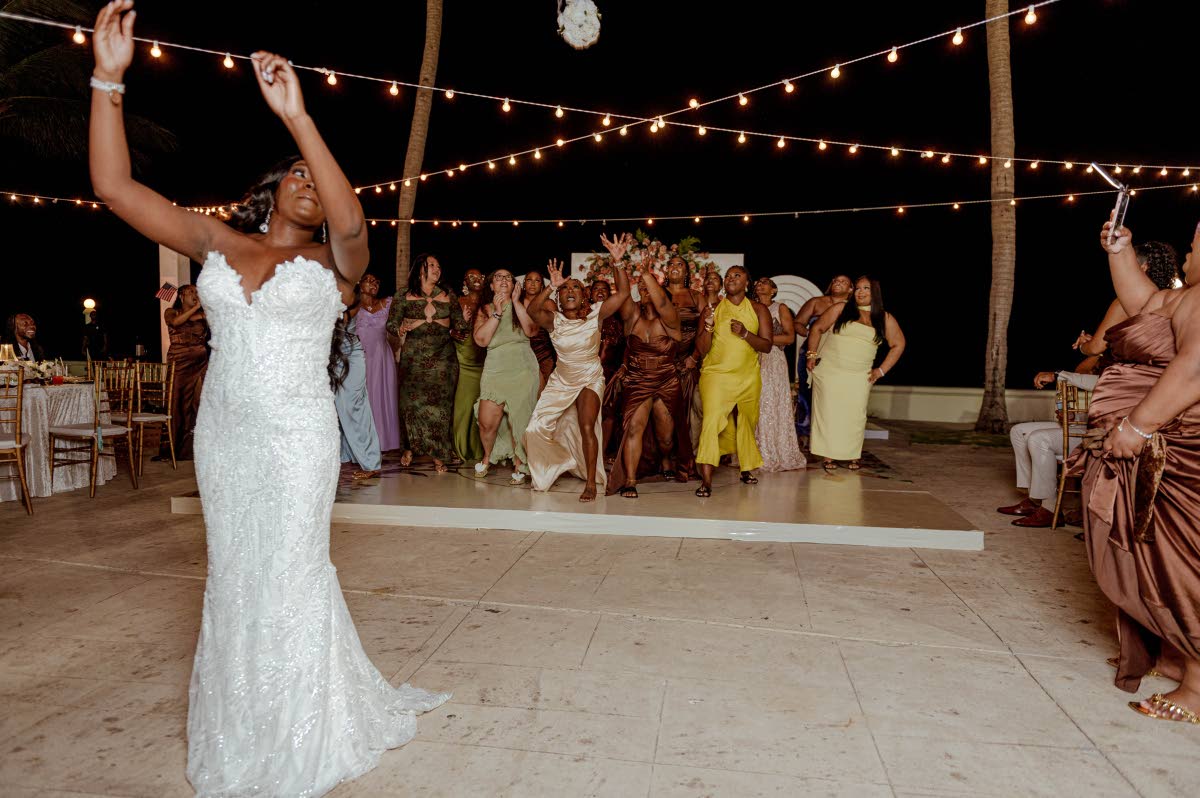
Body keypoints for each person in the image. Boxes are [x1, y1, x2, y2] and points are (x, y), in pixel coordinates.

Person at [87, 5, 448, 795]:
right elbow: (113, 187)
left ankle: (300, 725)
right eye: (295, 174)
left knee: (289, 569)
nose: (310, 189)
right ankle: (241, 719)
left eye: (315, 180)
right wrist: (107, 78)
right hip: (226, 435)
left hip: (294, 436)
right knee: (235, 573)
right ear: (268, 190)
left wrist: (299, 116)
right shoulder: (217, 243)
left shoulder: (337, 262)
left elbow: (354, 217)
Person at [1076, 217, 1200, 723]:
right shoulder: (1181, 298)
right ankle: (1174, 651)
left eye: (1196, 244)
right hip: (1159, 452)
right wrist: (1119, 252)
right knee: (1154, 551)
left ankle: (1198, 686)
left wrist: (1136, 427)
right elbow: (1142, 305)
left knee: (1184, 560)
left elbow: (1195, 368)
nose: (1189, 253)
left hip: (1179, 450)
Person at [1001, 242, 1179, 527]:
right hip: (1133, 402)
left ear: (1140, 267)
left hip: (1115, 410)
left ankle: (1048, 508)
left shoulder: (1124, 302)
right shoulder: (1170, 302)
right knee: (1020, 432)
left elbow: (1096, 349)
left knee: (1037, 438)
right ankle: (1035, 499)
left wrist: (1087, 346)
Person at [525, 240, 630, 501]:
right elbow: (532, 310)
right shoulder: (553, 321)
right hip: (561, 379)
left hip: (589, 377)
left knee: (586, 426)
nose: (570, 290)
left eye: (576, 287)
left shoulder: (596, 314)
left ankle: (592, 483)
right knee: (533, 429)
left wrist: (617, 261)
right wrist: (551, 285)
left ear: (584, 296)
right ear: (559, 298)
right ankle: (559, 463)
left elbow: (624, 294)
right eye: (566, 288)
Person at [607, 270, 692, 496]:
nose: (644, 291)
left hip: (665, 379)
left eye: (649, 289)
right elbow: (624, 293)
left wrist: (646, 274)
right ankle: (631, 480)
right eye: (641, 289)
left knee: (665, 437)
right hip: (637, 379)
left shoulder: (670, 320)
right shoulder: (632, 316)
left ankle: (665, 459)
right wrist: (618, 263)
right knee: (634, 427)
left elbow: (662, 302)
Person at [807, 276, 905, 472]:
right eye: (858, 288)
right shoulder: (841, 309)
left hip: (859, 375)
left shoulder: (884, 318)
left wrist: (881, 370)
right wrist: (812, 354)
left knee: (855, 416)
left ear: (874, 292)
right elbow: (817, 328)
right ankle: (828, 456)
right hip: (831, 372)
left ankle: (852, 454)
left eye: (866, 288)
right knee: (829, 414)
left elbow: (898, 344)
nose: (861, 292)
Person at [694, 265, 774, 496]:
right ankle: (706, 481)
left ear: (747, 282)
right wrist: (708, 326)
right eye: (728, 276)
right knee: (711, 421)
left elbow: (767, 346)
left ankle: (746, 468)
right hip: (716, 375)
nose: (731, 278)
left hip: (748, 376)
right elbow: (701, 349)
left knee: (745, 422)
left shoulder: (758, 309)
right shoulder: (712, 309)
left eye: (736, 275)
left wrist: (745, 334)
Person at [387, 253, 467, 472]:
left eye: (438, 265)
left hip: (444, 359)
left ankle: (439, 454)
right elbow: (391, 323)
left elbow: (460, 325)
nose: (436, 268)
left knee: (441, 408)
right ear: (420, 269)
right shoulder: (403, 295)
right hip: (413, 360)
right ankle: (410, 448)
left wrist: (459, 328)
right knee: (410, 406)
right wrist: (400, 328)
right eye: (431, 265)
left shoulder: (448, 294)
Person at [473, 268, 540, 481]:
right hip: (495, 367)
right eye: (498, 278)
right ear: (491, 286)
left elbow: (531, 330)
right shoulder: (485, 309)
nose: (503, 280)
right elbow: (481, 340)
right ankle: (487, 456)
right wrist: (498, 311)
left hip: (522, 367)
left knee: (520, 419)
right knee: (486, 421)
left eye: (508, 277)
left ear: (514, 285)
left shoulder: (525, 305)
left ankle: (520, 463)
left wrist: (516, 302)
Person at [752, 277, 806, 472]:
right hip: (751, 358)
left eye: (765, 282)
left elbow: (790, 337)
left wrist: (762, 339)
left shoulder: (780, 308)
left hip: (773, 359)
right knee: (754, 402)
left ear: (773, 290)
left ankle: (772, 452)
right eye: (758, 282)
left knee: (770, 401)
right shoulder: (749, 307)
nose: (760, 284)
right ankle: (752, 451)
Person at [793, 275, 853, 441]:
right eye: (834, 280)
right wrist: (812, 333)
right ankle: (806, 433)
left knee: (834, 396)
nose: (837, 283)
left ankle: (832, 436)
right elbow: (798, 323)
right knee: (808, 393)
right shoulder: (816, 302)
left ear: (850, 289)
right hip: (812, 353)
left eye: (843, 281)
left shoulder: (854, 308)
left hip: (840, 355)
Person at [333, 292, 382, 480]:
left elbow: (344, 318)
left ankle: (371, 462)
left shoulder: (351, 294)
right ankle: (344, 454)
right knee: (332, 407)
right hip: (323, 354)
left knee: (354, 405)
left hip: (349, 354)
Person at [354, 273, 401, 453]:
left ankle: (382, 442)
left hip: (382, 357)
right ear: (360, 284)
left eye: (377, 281)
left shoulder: (388, 303)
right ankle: (362, 443)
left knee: (382, 396)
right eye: (369, 280)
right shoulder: (352, 307)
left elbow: (399, 322)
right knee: (363, 398)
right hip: (360, 358)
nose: (374, 284)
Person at [163, 285, 209, 461]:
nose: (196, 295)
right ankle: (175, 447)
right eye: (192, 292)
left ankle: (197, 447)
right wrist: (197, 308)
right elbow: (176, 323)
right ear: (182, 296)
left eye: (198, 292)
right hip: (180, 362)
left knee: (200, 401)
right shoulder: (171, 312)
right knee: (178, 402)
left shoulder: (202, 315)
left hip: (200, 363)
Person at [453, 268, 486, 463]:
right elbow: (449, 327)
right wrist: (452, 332)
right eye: (470, 276)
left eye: (479, 276)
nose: (476, 279)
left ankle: (480, 448)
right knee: (463, 405)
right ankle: (461, 447)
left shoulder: (489, 304)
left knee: (482, 404)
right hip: (464, 356)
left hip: (485, 355)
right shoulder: (458, 302)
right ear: (465, 282)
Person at [523, 270, 557, 393]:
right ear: (524, 284)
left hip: (544, 354)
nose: (533, 283)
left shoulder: (548, 303)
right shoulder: (516, 303)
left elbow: (557, 331)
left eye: (537, 280)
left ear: (542, 286)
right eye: (529, 280)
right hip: (521, 352)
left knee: (543, 393)